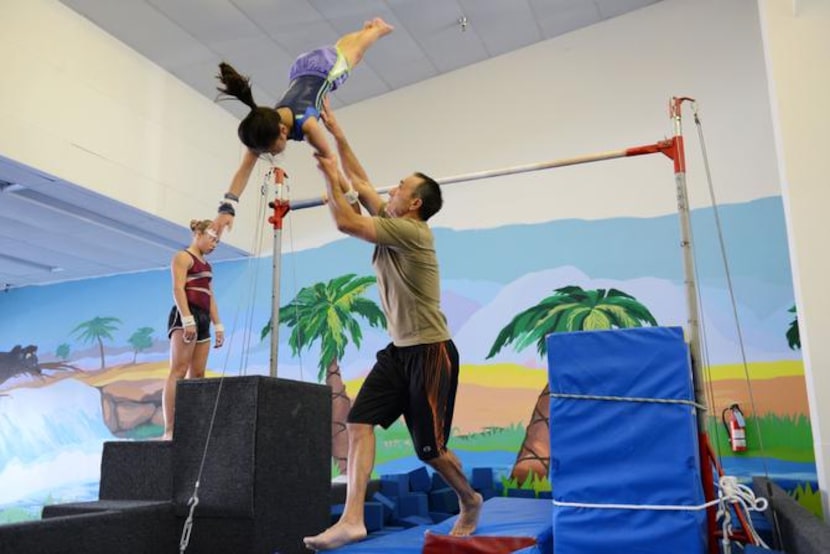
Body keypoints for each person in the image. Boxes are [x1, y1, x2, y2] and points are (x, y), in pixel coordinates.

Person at [302, 105, 483, 551]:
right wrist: (337, 134)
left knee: (431, 450)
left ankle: (471, 499)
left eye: (401, 186)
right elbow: (362, 185)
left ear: (415, 203)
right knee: (358, 422)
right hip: (399, 352)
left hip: (430, 352)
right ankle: (352, 520)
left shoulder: (413, 233)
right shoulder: (395, 221)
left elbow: (346, 219)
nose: (392, 189)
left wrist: (328, 173)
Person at [213, 18, 394, 235]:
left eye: (270, 150)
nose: (270, 154)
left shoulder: (308, 126)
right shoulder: (263, 124)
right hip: (301, 69)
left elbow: (332, 166)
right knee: (342, 50)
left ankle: (377, 30)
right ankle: (366, 30)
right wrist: (227, 208)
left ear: (283, 132)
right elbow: (244, 170)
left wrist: (351, 200)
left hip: (325, 70)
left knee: (355, 55)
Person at [162, 219, 224, 440]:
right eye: (212, 238)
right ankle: (170, 428)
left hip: (204, 317)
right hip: (186, 313)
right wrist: (187, 318)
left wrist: (218, 325)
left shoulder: (207, 266)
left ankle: (193, 427)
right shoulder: (183, 257)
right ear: (198, 234)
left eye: (218, 241)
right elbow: (178, 288)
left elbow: (210, 296)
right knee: (178, 370)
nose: (214, 244)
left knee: (197, 375)